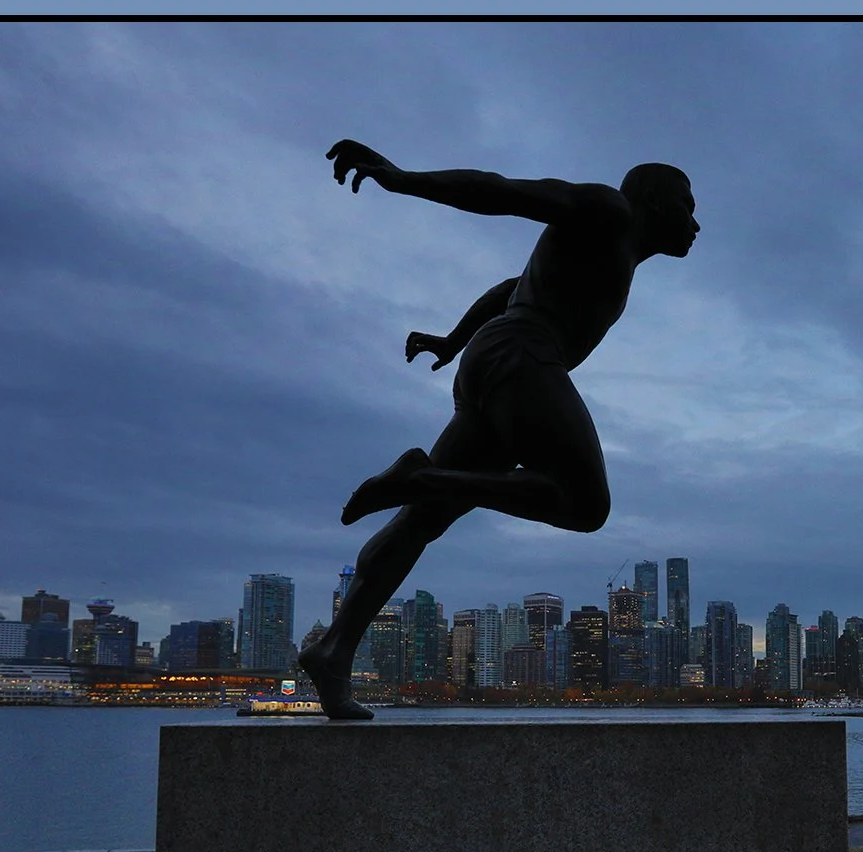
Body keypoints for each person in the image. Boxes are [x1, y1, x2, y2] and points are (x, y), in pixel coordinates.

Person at [297, 139, 700, 719]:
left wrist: (452, 340)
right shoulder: (608, 211)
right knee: (585, 505)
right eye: (686, 206)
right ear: (657, 204)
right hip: (524, 357)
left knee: (417, 526)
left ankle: (333, 653)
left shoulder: (614, 249)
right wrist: (402, 178)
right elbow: (503, 191)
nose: (695, 223)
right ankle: (424, 477)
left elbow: (506, 290)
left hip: (494, 359)